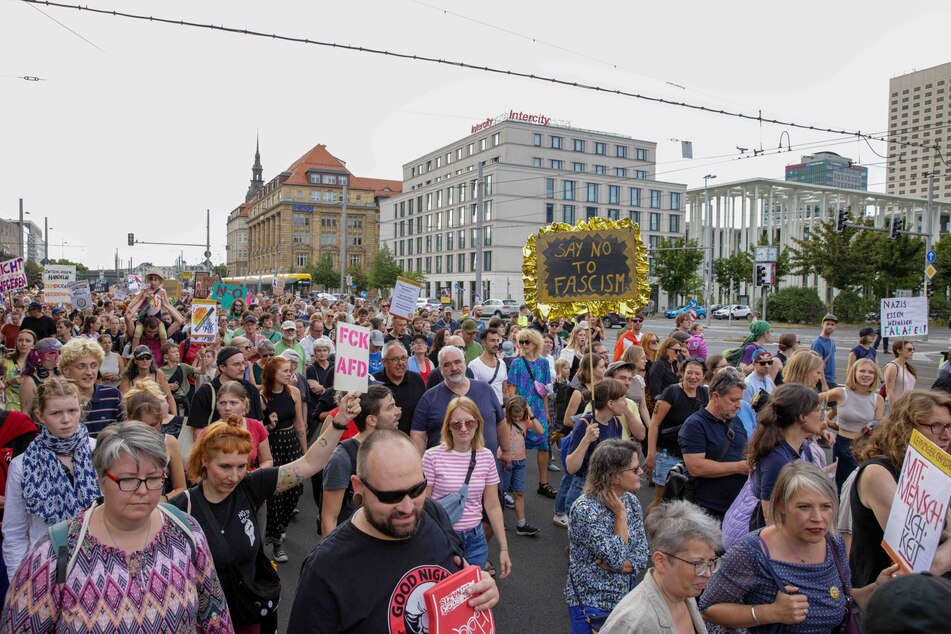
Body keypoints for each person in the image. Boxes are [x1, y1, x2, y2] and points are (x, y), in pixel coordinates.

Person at [1, 421, 233, 632]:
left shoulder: (185, 532)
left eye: (153, 478)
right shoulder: (58, 552)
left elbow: (216, 618)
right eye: (128, 480)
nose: (142, 490)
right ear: (101, 479)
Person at [172, 392, 359, 634]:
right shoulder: (180, 508)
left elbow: (309, 464)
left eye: (242, 466)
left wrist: (339, 423)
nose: (235, 476)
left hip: (248, 614)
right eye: (225, 467)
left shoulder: (250, 485)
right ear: (204, 460)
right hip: (202, 622)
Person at [287, 429, 499, 632]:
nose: (408, 508)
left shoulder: (432, 512)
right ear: (358, 486)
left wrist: (481, 588)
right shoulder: (325, 569)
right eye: (390, 496)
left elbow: (460, 576)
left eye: (417, 490)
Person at [700, 461, 899, 633]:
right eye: (804, 507)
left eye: (826, 507)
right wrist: (770, 612)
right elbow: (708, 608)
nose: (818, 518)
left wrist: (877, 588)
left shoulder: (833, 542)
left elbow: (843, 599)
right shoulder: (751, 552)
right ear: (781, 507)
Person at [849, 389, 951, 587]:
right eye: (936, 426)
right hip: (888, 597)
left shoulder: (932, 470)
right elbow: (924, 563)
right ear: (906, 428)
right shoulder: (877, 472)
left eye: (949, 426)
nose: (946, 435)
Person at [2, 377, 100, 580]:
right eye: (56, 413)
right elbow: (14, 531)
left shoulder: (99, 450)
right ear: (40, 416)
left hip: (99, 558)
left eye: (72, 411)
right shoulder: (22, 465)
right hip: (46, 564)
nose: (66, 419)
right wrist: (17, 581)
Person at [600, 500, 720, 634]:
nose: (708, 573)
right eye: (697, 563)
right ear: (661, 561)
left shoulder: (683, 593)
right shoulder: (635, 623)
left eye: (711, 561)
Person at [565, 439, 648, 633]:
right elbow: (619, 559)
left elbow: (642, 555)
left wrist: (621, 566)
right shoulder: (584, 509)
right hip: (591, 604)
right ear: (614, 477)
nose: (641, 473)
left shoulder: (631, 502)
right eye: (635, 469)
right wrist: (620, 516)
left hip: (624, 600)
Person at [422, 396, 511, 575]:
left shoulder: (486, 456)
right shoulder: (432, 456)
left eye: (469, 423)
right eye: (456, 424)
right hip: (443, 538)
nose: (463, 428)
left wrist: (503, 548)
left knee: (472, 595)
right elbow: (423, 504)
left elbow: (492, 505)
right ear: (448, 426)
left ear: (477, 424)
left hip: (476, 539)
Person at [320, 385, 400, 535]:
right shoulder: (342, 458)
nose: (398, 412)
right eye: (390, 407)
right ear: (371, 420)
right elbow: (329, 518)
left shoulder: (393, 449)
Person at [678, 367, 750, 521]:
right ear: (716, 396)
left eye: (740, 400)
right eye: (733, 400)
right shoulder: (695, 425)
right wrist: (740, 467)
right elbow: (696, 467)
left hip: (734, 508)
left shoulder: (735, 421)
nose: (739, 405)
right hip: (707, 509)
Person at [745, 383, 821, 530]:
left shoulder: (803, 447)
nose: (821, 415)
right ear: (802, 416)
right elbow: (770, 516)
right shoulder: (777, 459)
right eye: (817, 410)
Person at [645, 357, 709, 515]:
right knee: (662, 501)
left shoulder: (704, 393)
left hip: (691, 457)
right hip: (668, 455)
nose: (693, 377)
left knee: (685, 502)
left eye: (697, 373)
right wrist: (651, 453)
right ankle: (644, 532)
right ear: (682, 373)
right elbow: (654, 424)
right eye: (689, 373)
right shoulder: (671, 392)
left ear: (704, 376)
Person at [259, 355, 306, 563]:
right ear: (273, 374)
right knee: (276, 493)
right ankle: (277, 541)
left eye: (290, 370)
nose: (290, 374)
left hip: (291, 444)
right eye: (285, 371)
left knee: (296, 489)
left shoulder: (294, 392)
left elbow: (300, 424)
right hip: (273, 445)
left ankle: (282, 526)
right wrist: (268, 424)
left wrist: (305, 453)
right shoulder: (261, 397)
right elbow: (258, 429)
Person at [563, 379, 630, 516]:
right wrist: (586, 440)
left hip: (606, 489)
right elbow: (571, 467)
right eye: (623, 399)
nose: (626, 403)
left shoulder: (616, 422)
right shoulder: (585, 424)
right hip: (584, 488)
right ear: (610, 403)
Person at [819, 359, 884, 489]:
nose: (866, 375)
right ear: (854, 373)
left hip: (864, 445)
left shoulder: (878, 399)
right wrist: (823, 421)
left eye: (871, 372)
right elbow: (812, 399)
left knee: (859, 486)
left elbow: (878, 428)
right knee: (841, 486)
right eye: (862, 371)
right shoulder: (841, 393)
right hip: (843, 444)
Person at [505, 328, 553, 499]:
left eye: (527, 342)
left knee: (544, 445)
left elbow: (545, 390)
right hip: (521, 410)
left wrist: (546, 412)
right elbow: (511, 388)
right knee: (517, 445)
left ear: (535, 344)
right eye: (521, 342)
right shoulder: (517, 363)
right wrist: (516, 410)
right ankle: (512, 484)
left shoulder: (544, 363)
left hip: (538, 409)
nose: (523, 345)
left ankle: (543, 483)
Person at [121, 380, 188, 502]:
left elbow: (181, 488)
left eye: (153, 425)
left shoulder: (169, 443)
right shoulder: (119, 444)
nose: (148, 431)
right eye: (141, 425)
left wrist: (162, 499)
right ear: (128, 419)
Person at [58, 337, 124, 438]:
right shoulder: (57, 400)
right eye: (81, 366)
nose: (89, 372)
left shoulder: (113, 395)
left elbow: (123, 435)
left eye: (93, 366)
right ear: (66, 370)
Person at [187, 346, 264, 431]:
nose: (242, 368)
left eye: (243, 363)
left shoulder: (250, 389)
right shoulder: (206, 392)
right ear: (222, 367)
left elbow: (259, 426)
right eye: (237, 364)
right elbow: (198, 431)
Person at [373, 341, 425, 436]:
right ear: (384, 362)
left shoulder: (417, 380)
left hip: (412, 441)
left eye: (404, 358)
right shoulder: (374, 383)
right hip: (382, 440)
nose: (401, 363)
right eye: (394, 359)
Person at [121, 344, 177, 415]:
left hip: (157, 412)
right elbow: (123, 401)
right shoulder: (127, 377)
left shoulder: (158, 374)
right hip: (136, 414)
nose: (145, 360)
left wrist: (175, 417)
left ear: (151, 359)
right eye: (141, 358)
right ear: (135, 360)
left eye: (148, 357)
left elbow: (169, 397)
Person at [17, 337, 61, 417]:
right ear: (47, 356)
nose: (62, 355)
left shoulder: (62, 373)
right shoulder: (30, 381)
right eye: (59, 352)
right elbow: (25, 412)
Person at [468, 328, 506, 405]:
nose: (496, 344)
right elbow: (472, 393)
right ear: (483, 343)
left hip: (500, 409)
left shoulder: (502, 363)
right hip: (483, 410)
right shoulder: (474, 365)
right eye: (492, 340)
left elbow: (504, 391)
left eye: (497, 341)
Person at [1, 329, 35, 412]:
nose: (23, 344)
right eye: (20, 340)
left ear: (34, 344)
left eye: (28, 341)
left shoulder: (38, 364)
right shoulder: (5, 361)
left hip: (31, 410)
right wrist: (10, 382)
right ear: (16, 342)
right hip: (10, 408)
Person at [883, 339, 917, 403]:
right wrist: (894, 410)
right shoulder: (893, 367)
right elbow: (889, 391)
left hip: (906, 404)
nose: (912, 351)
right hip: (896, 404)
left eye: (913, 349)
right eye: (909, 349)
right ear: (899, 351)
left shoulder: (907, 367)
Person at [810, 313, 838, 390]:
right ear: (822, 324)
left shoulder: (831, 341)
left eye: (832, 325)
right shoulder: (818, 343)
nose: (830, 326)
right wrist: (824, 384)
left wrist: (833, 380)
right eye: (827, 324)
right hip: (821, 381)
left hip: (831, 380)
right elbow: (817, 364)